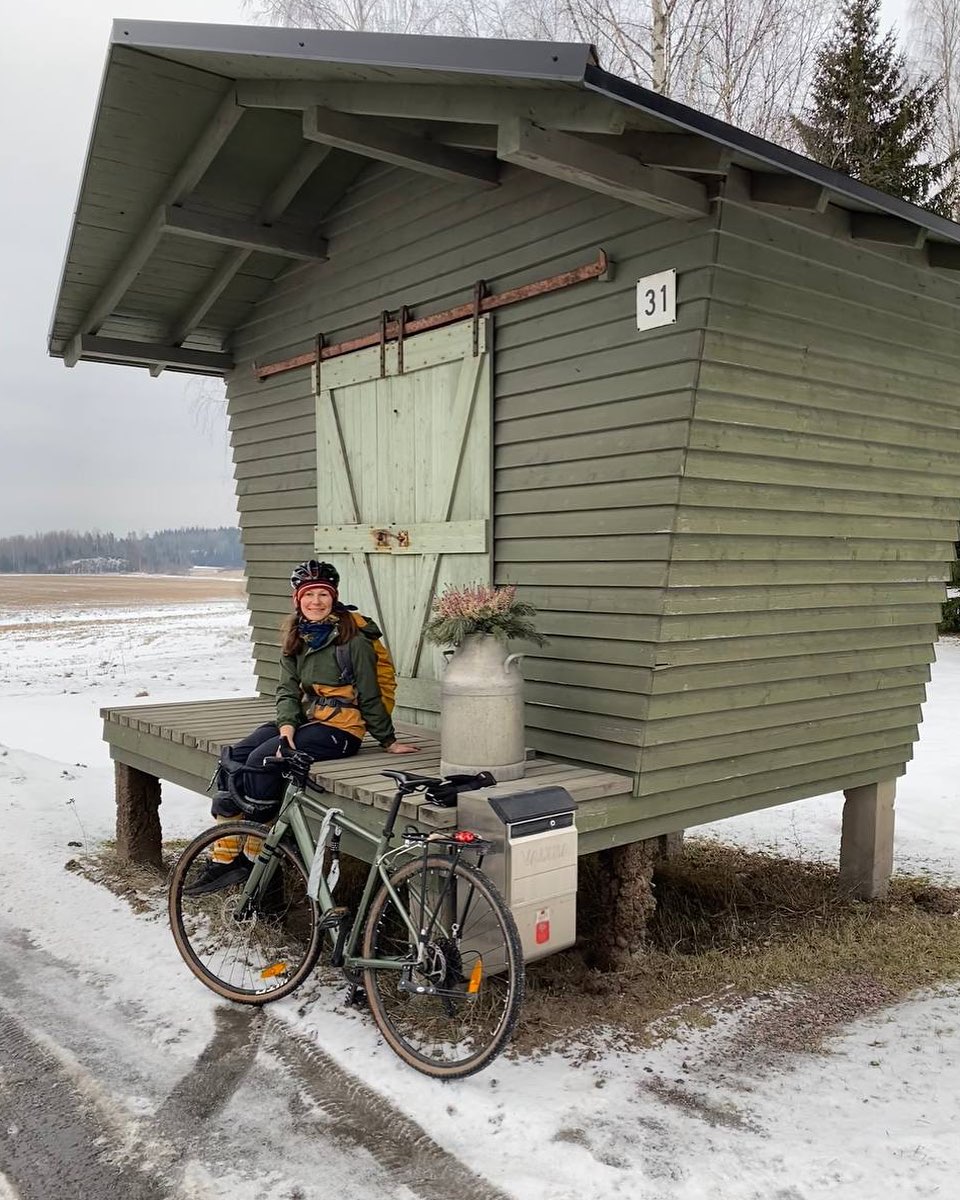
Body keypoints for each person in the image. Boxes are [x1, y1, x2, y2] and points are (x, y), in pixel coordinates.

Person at [186, 560, 416, 894]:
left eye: (323, 594)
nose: (316, 602)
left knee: (263, 762)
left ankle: (252, 857)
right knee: (234, 756)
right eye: (309, 596)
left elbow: (370, 694)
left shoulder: (353, 640)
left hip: (342, 730)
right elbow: (287, 690)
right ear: (298, 599)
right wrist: (287, 725)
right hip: (310, 718)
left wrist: (388, 740)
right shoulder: (298, 635)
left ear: (333, 597)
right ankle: (224, 859)